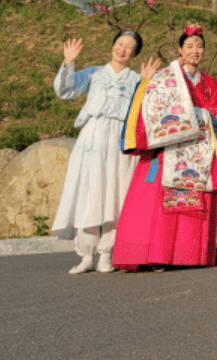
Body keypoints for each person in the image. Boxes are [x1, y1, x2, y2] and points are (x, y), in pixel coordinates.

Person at [112, 23, 217, 271]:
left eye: (200, 46)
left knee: (193, 200)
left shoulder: (210, 83)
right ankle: (155, 254)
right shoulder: (167, 78)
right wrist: (187, 116)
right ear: (179, 50)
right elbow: (154, 107)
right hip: (169, 148)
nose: (195, 50)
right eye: (190, 46)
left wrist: (202, 117)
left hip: (198, 150)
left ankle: (189, 255)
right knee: (156, 202)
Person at [51, 31, 154, 274]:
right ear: (112, 45)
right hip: (93, 137)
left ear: (135, 53)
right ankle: (87, 256)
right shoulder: (94, 72)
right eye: (120, 43)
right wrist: (68, 63)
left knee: (115, 195)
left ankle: (107, 254)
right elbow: (65, 90)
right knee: (90, 193)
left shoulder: (136, 79)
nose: (123, 49)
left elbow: (144, 111)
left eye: (130, 46)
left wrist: (147, 84)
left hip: (120, 141)